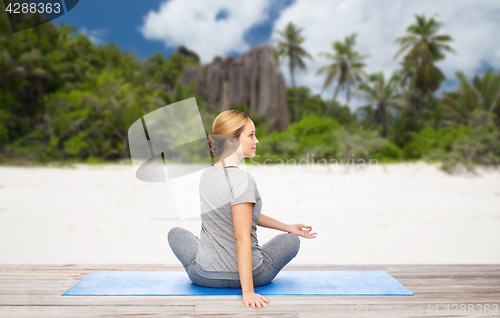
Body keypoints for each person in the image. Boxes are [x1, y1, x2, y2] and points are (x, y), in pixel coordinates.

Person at [168, 109, 317, 309]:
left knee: (176, 233)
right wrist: (248, 291)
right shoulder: (243, 181)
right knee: (291, 242)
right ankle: (216, 251)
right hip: (255, 276)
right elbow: (242, 237)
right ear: (231, 140)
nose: (257, 141)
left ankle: (205, 244)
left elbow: (244, 216)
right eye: (251, 135)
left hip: (205, 275)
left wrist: (287, 226)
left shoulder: (207, 175)